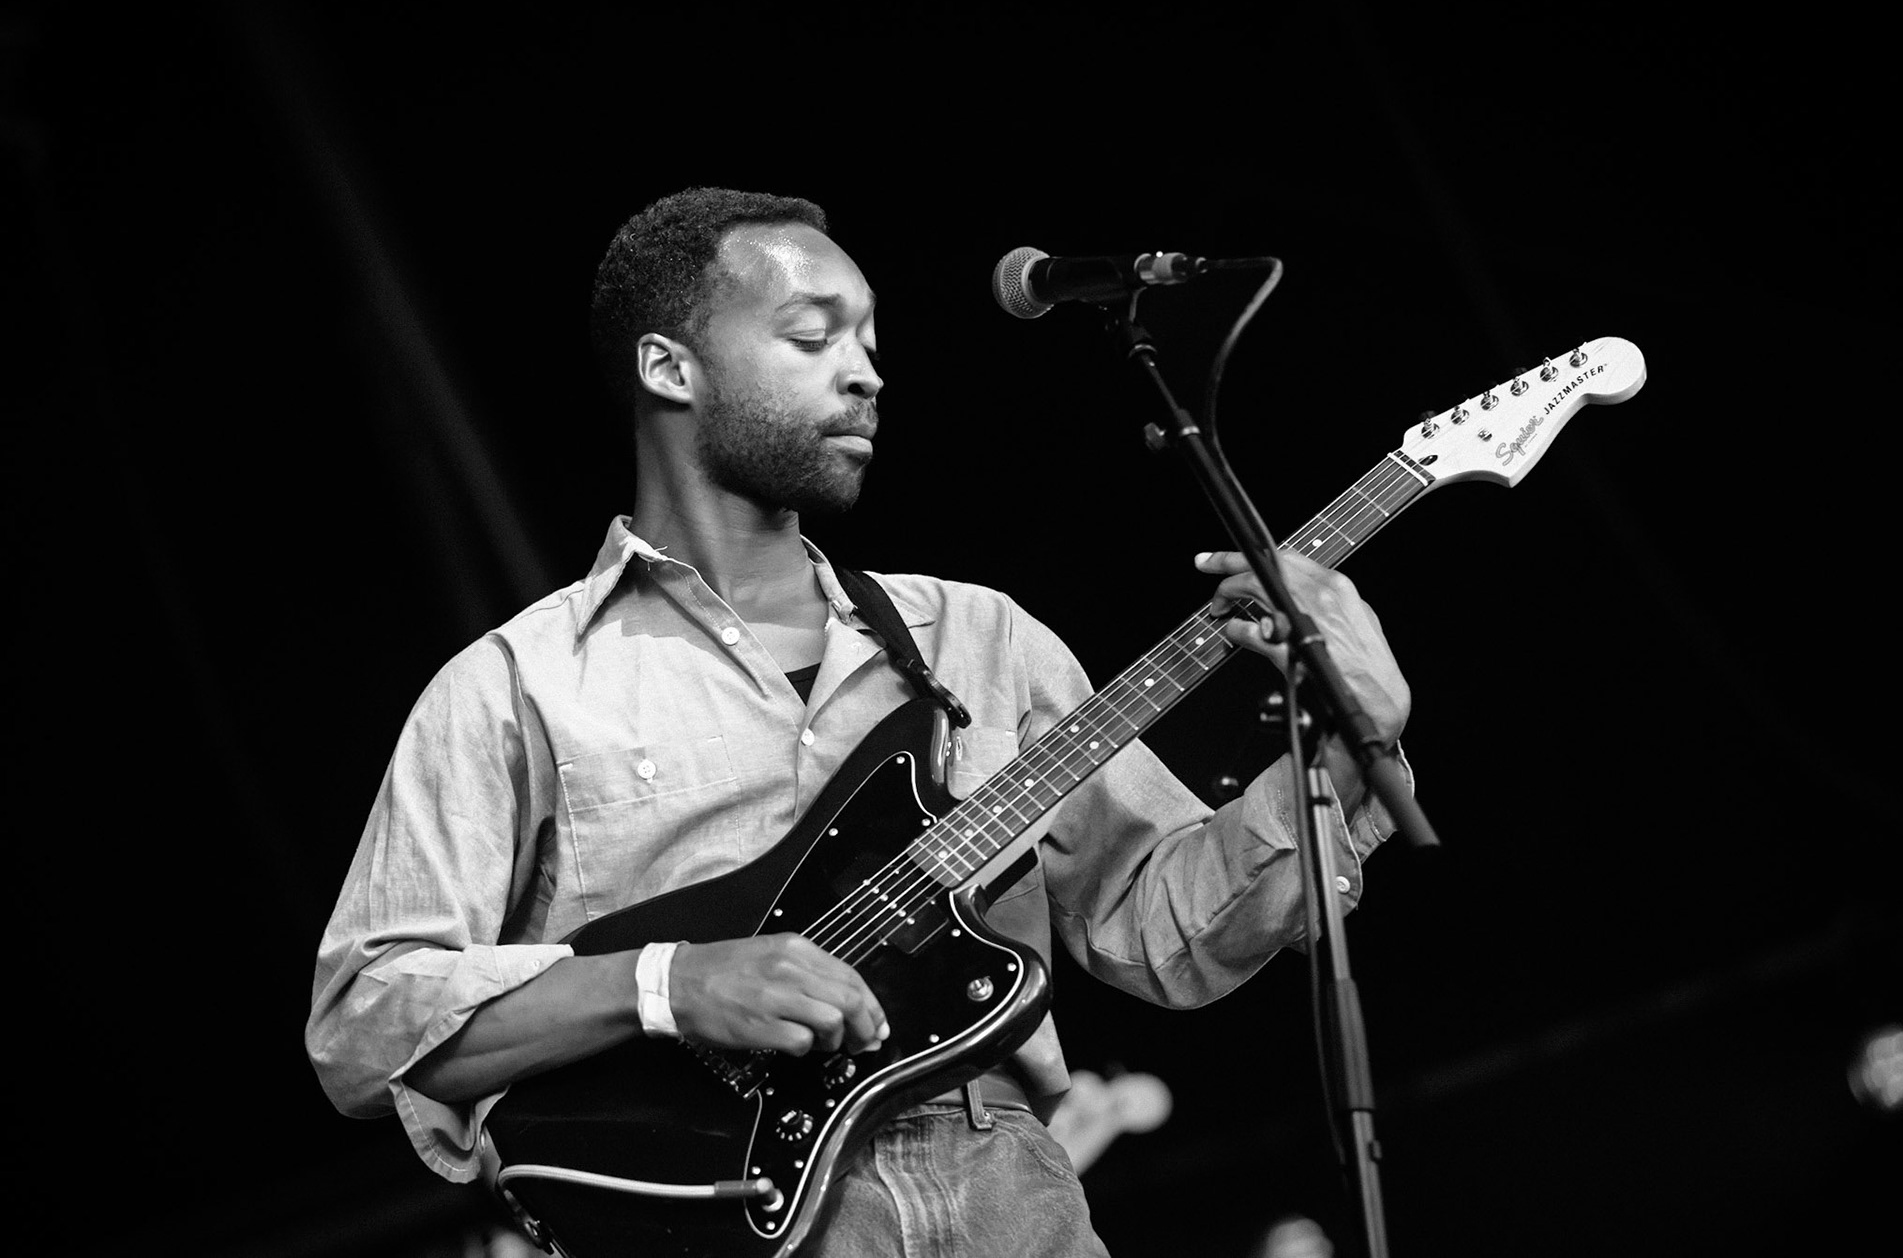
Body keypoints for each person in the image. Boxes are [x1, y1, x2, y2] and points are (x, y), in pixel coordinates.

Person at [306, 186, 1413, 1257]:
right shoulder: (515, 683)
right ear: (668, 368)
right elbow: (365, 1018)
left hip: (1005, 1190)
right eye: (812, 336)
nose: (866, 371)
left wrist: (1345, 747)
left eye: (871, 340)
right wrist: (669, 983)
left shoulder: (976, 637)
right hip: (708, 1215)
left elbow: (1164, 932)